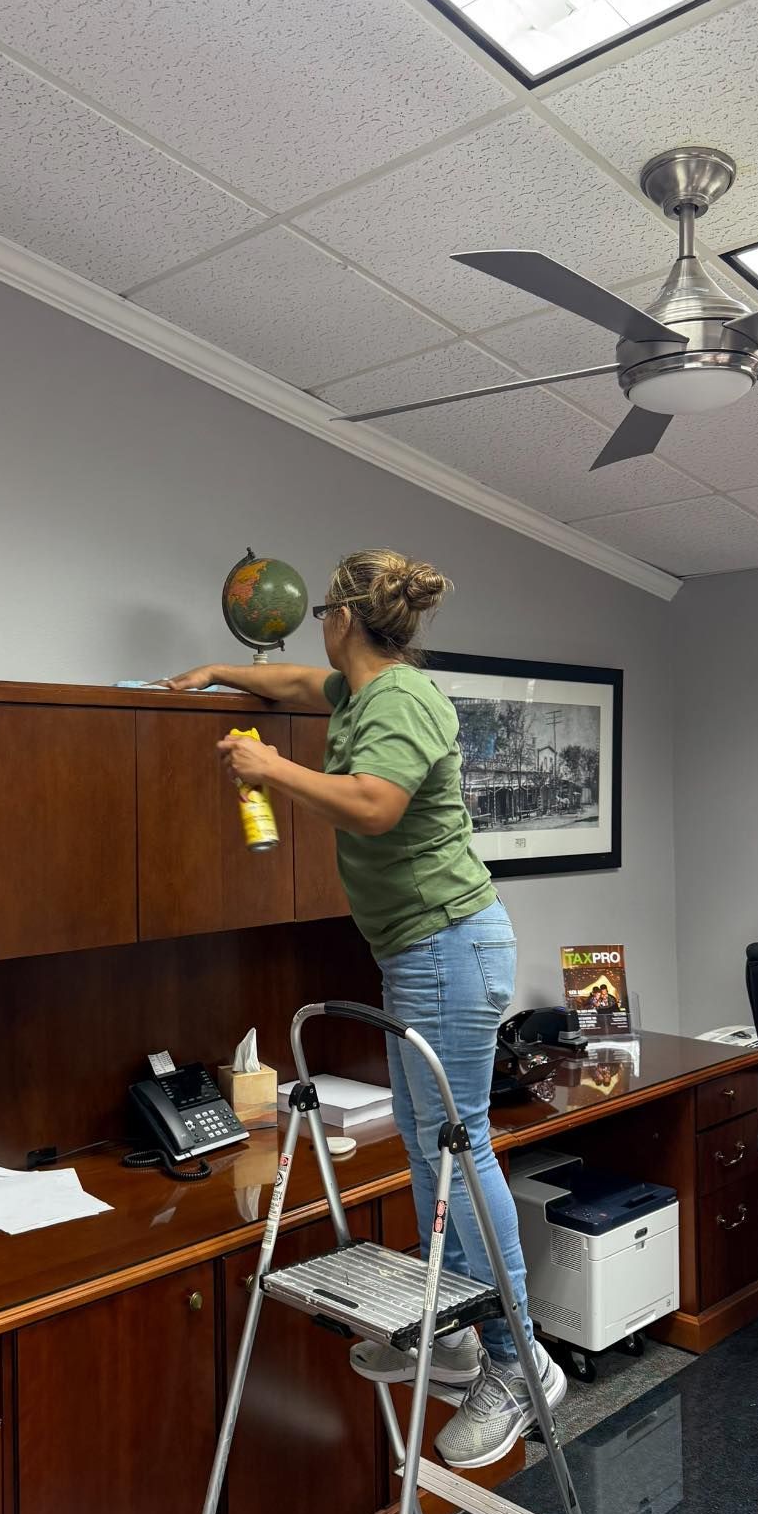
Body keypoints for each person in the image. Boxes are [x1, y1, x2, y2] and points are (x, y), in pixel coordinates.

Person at [167, 548, 564, 1467]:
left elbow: (375, 804)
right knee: (435, 1149)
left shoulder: (403, 702)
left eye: (321, 618)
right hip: (418, 950)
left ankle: (518, 1357)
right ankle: (456, 1330)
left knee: (460, 1146)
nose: (318, 636)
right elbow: (307, 680)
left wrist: (269, 769)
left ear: (342, 618)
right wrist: (221, 671)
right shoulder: (361, 688)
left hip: (447, 944)